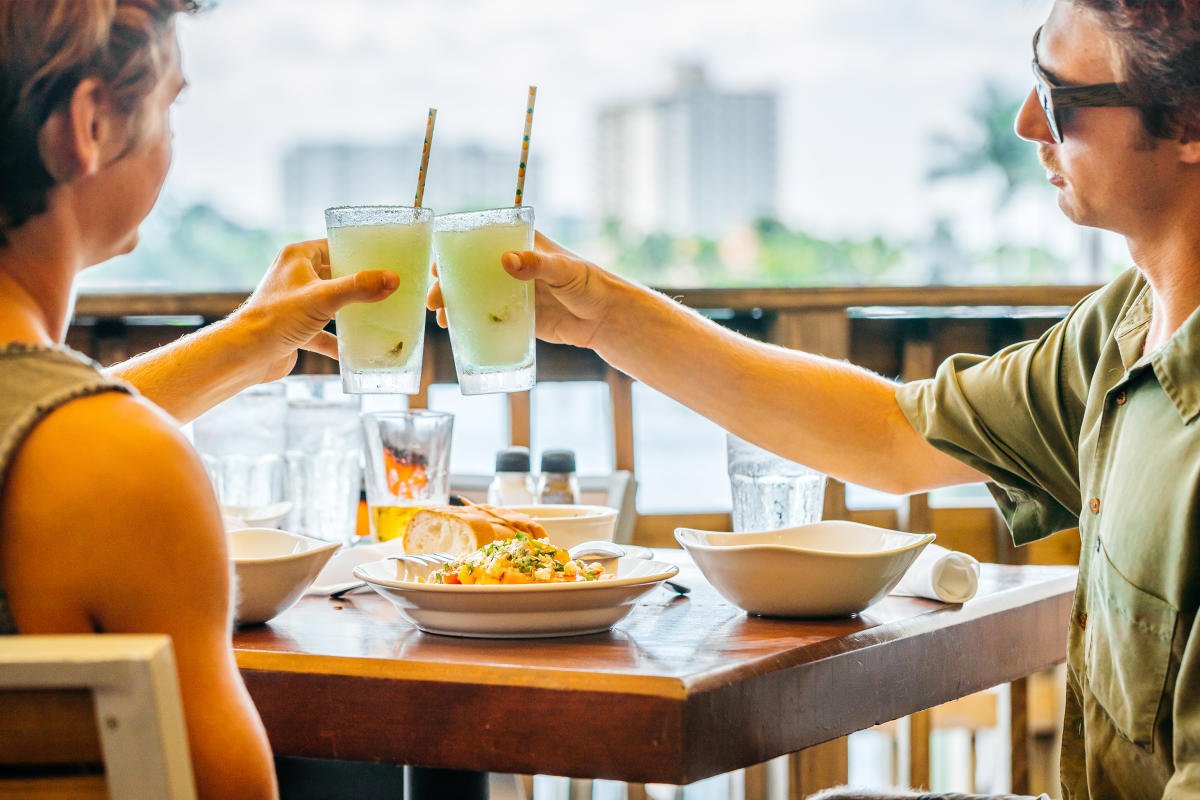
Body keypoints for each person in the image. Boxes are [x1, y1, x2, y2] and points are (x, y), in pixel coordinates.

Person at [429, 0, 1200, 797]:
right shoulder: (1124, 327)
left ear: (1188, 125)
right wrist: (605, 316)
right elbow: (891, 435)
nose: (1025, 123)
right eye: (1033, 73)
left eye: (1061, 99)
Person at [0, 2, 400, 798]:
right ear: (91, 125)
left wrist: (244, 345)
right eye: (171, 105)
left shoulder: (85, 448)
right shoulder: (118, 463)